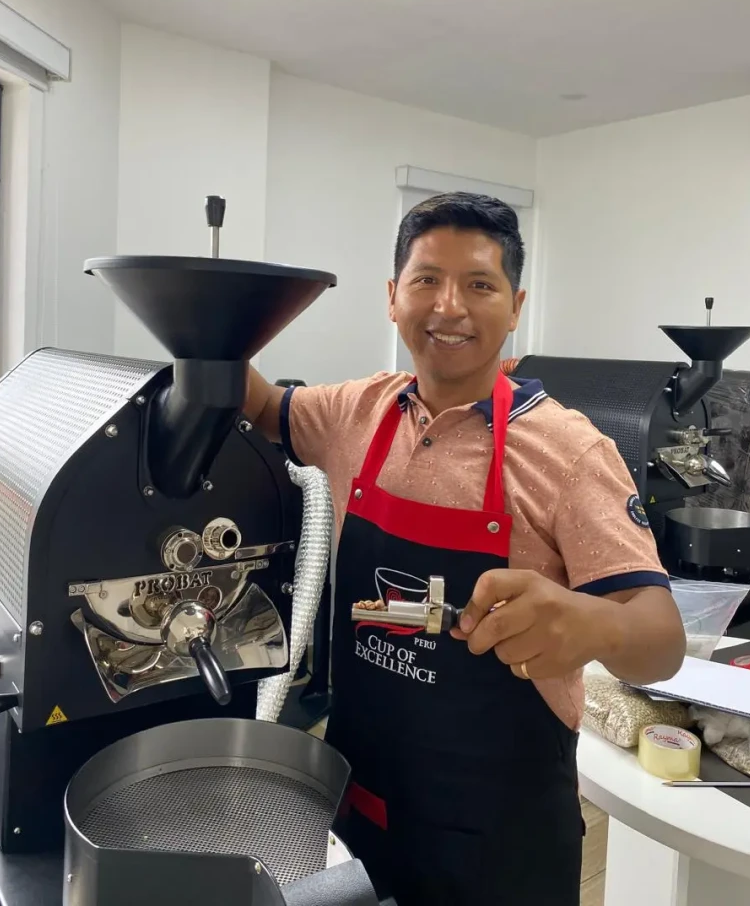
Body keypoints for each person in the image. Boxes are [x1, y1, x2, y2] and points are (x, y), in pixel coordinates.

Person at [244, 192, 685, 906]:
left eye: (479, 285)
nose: (449, 306)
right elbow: (264, 409)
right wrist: (207, 327)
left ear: (516, 306)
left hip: (501, 843)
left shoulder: (571, 453)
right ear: (393, 297)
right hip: (362, 812)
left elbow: (660, 638)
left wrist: (592, 625)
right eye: (426, 280)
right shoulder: (357, 413)